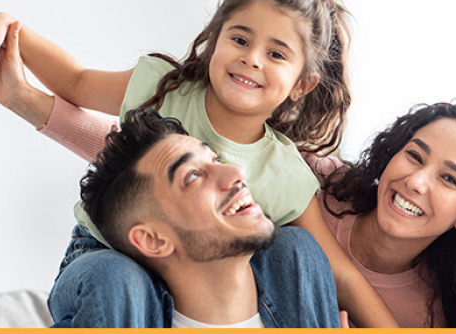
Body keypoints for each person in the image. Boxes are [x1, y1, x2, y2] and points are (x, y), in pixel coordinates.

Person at [0, 0, 398, 327]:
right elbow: (75, 81)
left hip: (200, 284)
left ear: (302, 84)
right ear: (213, 40)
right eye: (240, 39)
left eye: (276, 54)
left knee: (297, 248)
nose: (251, 59)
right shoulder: (165, 88)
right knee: (119, 281)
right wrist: (8, 27)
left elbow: (340, 275)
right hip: (104, 254)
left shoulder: (285, 172)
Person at [52, 107, 341, 328]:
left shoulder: (298, 262)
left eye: (215, 160)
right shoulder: (121, 302)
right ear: (153, 239)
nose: (236, 174)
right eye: (192, 176)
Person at [306, 100, 456, 327]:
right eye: (415, 156)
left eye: (449, 179)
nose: (416, 182)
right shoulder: (318, 180)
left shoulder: (431, 318)